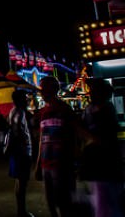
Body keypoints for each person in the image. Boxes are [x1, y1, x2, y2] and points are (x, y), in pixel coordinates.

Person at [33, 76, 86, 217]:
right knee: (50, 202)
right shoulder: (43, 113)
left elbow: (76, 136)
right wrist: (38, 165)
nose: (42, 92)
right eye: (41, 88)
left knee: (64, 204)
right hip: (46, 165)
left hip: (62, 166)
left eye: (44, 88)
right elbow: (41, 141)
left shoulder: (65, 110)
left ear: (54, 89)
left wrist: (77, 162)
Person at [79, 78, 124, 217]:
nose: (90, 93)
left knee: (104, 201)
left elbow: (104, 138)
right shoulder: (94, 109)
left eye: (93, 90)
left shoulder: (104, 109)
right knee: (104, 200)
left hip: (104, 163)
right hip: (99, 164)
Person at [7, 90, 35, 217]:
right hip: (22, 152)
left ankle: (21, 210)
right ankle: (21, 211)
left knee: (19, 181)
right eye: (25, 98)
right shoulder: (21, 113)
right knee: (22, 181)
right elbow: (20, 133)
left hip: (16, 151)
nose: (27, 100)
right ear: (19, 100)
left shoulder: (12, 111)